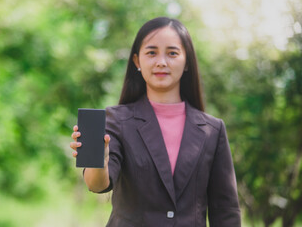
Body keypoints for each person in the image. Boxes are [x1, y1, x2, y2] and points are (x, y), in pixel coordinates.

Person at [70, 17, 241, 227]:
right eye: (151, 52)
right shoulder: (116, 120)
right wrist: (99, 159)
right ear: (136, 61)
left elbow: (225, 210)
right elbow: (97, 185)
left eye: (172, 53)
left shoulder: (212, 130)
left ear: (187, 61)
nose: (161, 61)